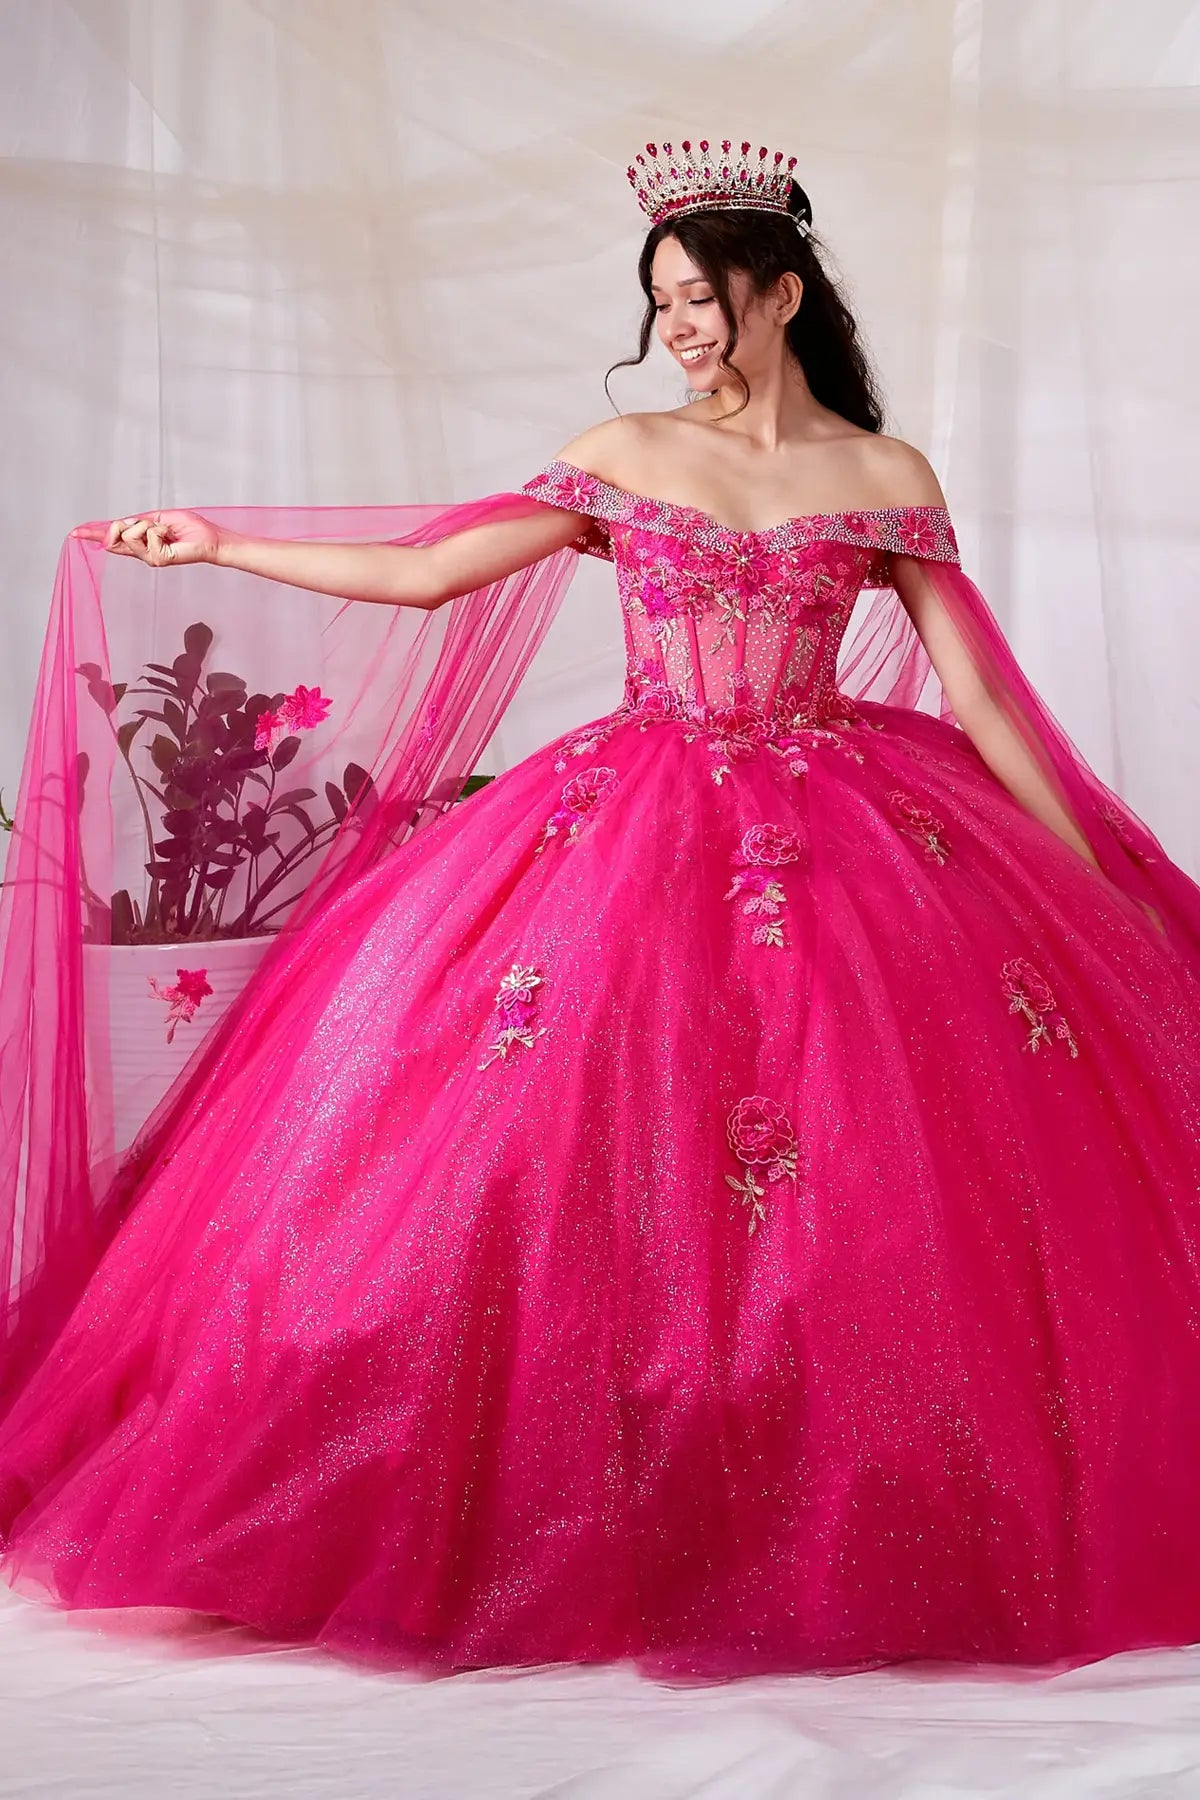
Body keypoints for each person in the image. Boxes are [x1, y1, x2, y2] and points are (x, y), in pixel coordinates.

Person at [1, 135, 1199, 1680]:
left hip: (853, 837)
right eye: (660, 302)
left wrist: (1095, 879)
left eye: (699, 297)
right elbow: (435, 577)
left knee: (868, 1157)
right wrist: (223, 545)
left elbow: (979, 694)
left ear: (779, 294)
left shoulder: (884, 476)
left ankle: (825, 1481)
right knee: (554, 1145)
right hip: (628, 830)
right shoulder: (624, 456)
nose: (678, 327)